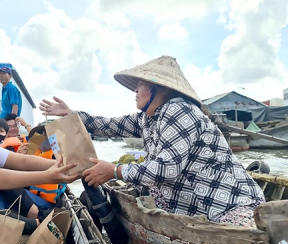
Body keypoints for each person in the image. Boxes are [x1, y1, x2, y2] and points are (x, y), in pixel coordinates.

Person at [39, 55, 265, 228]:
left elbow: (167, 168)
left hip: (230, 206)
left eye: (141, 85)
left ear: (160, 88)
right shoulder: (148, 119)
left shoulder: (179, 110)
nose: (135, 90)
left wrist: (115, 171)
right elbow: (108, 125)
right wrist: (71, 115)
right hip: (199, 211)